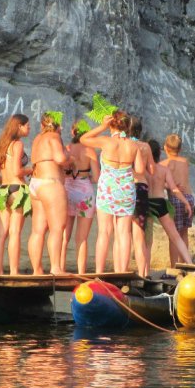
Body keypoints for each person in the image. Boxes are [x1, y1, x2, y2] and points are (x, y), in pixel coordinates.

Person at [80, 112, 145, 273]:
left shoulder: (106, 141)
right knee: (124, 233)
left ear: (111, 125)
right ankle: (122, 272)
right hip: (126, 191)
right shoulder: (133, 145)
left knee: (104, 232)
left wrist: (101, 126)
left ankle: (99, 273)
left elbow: (83, 139)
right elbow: (140, 170)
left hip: (107, 191)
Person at [0, 114, 32, 276]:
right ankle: (14, 272)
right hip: (17, 189)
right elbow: (17, 171)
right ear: (19, 126)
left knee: (1, 233)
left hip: (3, 189)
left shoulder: (1, 146)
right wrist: (31, 170)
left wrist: (6, 179)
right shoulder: (17, 145)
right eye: (27, 125)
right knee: (15, 232)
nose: (29, 128)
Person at [27, 112, 69, 275]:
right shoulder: (54, 136)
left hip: (36, 184)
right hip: (50, 183)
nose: (62, 128)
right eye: (61, 125)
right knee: (57, 228)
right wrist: (69, 157)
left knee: (38, 230)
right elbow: (59, 158)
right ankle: (56, 268)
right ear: (55, 125)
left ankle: (37, 270)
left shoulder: (37, 138)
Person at [147, 140, 195, 265]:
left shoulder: (153, 167)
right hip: (176, 199)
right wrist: (186, 202)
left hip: (158, 201)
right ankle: (187, 264)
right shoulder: (183, 162)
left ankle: (170, 267)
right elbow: (175, 185)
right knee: (180, 234)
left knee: (157, 238)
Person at [62, 121, 99, 276]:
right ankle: (81, 273)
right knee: (81, 239)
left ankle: (59, 268)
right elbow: (97, 177)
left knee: (64, 234)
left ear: (72, 132)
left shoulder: (67, 149)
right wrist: (87, 176)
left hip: (67, 190)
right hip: (85, 193)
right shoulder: (90, 151)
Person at [162, 134, 195, 267]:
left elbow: (161, 181)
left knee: (174, 235)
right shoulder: (185, 161)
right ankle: (184, 264)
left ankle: (174, 265)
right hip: (189, 197)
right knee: (184, 233)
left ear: (165, 148)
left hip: (175, 199)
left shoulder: (165, 164)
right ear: (180, 149)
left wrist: (171, 186)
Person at [129, 116, 156, 278]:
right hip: (141, 187)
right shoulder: (145, 146)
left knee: (122, 233)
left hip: (125, 187)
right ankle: (143, 273)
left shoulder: (124, 144)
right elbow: (151, 170)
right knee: (140, 233)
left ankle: (121, 271)